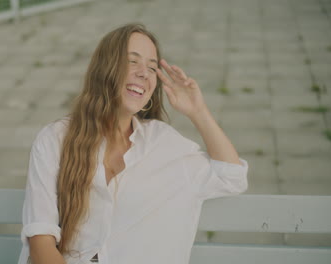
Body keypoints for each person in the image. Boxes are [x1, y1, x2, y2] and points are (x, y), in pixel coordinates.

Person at [18, 23, 248, 264]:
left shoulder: (164, 144)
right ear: (105, 69)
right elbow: (41, 241)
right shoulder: (55, 139)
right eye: (132, 61)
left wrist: (198, 111)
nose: (144, 73)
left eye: (151, 67)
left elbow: (231, 177)